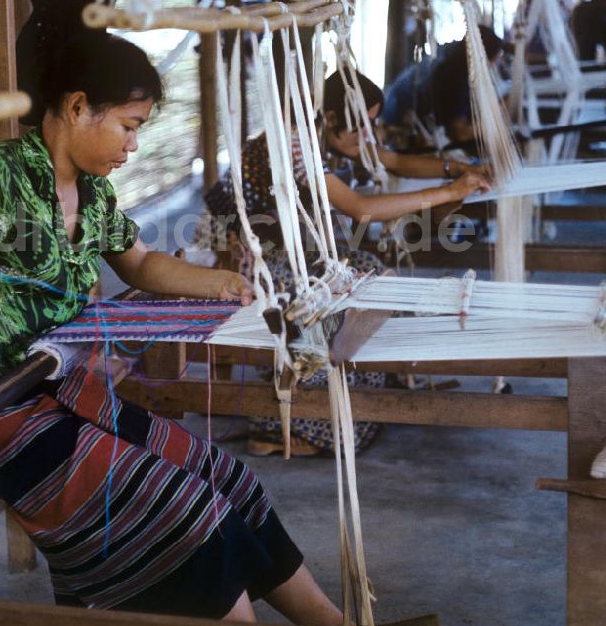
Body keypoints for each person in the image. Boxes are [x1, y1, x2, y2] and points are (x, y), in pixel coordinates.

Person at [0, 5, 343, 626]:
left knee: (227, 477)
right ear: (79, 106)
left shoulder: (92, 191)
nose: (134, 145)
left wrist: (220, 283)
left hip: (55, 388)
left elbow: (139, 264)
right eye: (129, 126)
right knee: (184, 507)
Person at [196, 68, 489, 456]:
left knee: (371, 272)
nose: (367, 135)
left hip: (294, 250)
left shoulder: (321, 133)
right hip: (261, 266)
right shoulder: (295, 144)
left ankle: (364, 385)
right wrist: (450, 190)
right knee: (344, 295)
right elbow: (361, 208)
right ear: (331, 118)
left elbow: (390, 159)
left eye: (371, 124)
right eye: (360, 126)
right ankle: (287, 424)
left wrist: (465, 170)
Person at [382, 27, 510, 147]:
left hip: (395, 111)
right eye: (493, 61)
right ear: (482, 58)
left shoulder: (453, 54)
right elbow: (459, 134)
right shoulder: (452, 73)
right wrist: (496, 115)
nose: (492, 66)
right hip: (397, 127)